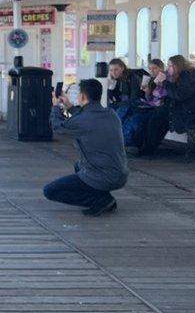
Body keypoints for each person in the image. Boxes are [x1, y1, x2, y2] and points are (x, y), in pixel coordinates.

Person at [44, 79, 128, 216]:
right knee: (79, 166)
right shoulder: (111, 114)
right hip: (120, 174)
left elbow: (57, 126)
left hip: (102, 176)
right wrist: (70, 107)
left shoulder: (82, 121)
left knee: (49, 191)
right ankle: (102, 196)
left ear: (82, 96)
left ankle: (100, 199)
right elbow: (86, 119)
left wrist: (55, 107)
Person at [122, 59, 167, 152]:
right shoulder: (150, 80)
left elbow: (163, 96)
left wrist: (159, 84)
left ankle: (136, 144)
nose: (152, 71)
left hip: (158, 108)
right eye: (150, 69)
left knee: (137, 119)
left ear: (161, 68)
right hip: (149, 105)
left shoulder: (164, 80)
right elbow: (149, 98)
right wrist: (147, 92)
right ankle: (128, 142)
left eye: (155, 68)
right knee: (128, 113)